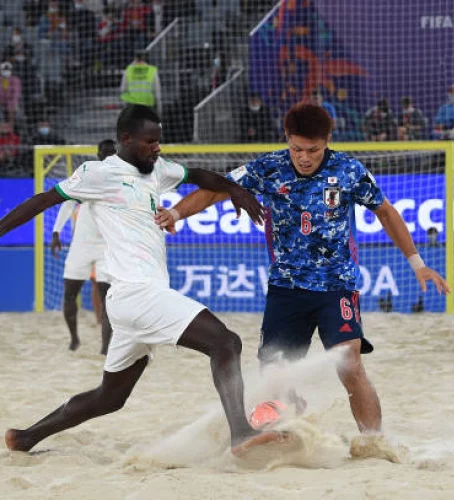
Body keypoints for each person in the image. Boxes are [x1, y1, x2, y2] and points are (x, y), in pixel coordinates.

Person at [0, 104, 288, 455]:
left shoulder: (157, 170)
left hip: (132, 300)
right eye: (150, 141)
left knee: (110, 396)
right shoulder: (98, 173)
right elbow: (41, 200)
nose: (157, 148)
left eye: (159, 141)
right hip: (137, 294)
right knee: (226, 343)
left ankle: (25, 437)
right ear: (126, 139)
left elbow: (198, 175)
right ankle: (241, 433)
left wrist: (234, 189)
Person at [155, 103, 450, 438]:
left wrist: (418, 264)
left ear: (327, 142)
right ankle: (290, 412)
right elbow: (215, 191)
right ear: (287, 140)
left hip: (336, 286)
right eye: (297, 149)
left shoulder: (348, 170)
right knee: (273, 373)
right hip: (286, 289)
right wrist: (176, 214)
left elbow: (385, 212)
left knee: (349, 364)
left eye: (313, 150)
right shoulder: (269, 167)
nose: (304, 157)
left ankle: (373, 442)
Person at [51, 139, 117, 354]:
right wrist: (56, 232)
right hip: (80, 246)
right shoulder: (87, 175)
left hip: (106, 247)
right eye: (104, 151)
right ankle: (74, 339)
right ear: (98, 153)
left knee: (107, 300)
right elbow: (68, 201)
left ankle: (105, 349)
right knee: (69, 294)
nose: (107, 155)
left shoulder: (121, 179)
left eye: (111, 152)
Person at [120, 50, 162, 117]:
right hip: (148, 107)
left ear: (135, 58)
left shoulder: (128, 71)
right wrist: (159, 110)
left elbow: (123, 91)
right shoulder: (152, 71)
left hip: (133, 107)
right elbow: (157, 92)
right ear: (145, 58)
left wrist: (125, 108)